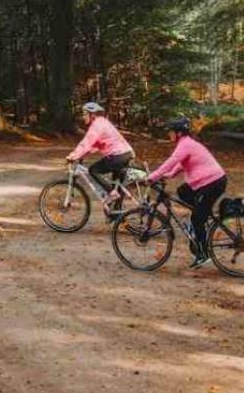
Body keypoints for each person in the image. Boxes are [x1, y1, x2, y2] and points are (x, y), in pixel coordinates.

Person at [146, 117, 226, 269]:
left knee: (197, 219)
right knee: (183, 191)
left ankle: (203, 254)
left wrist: (153, 176)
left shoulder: (185, 144)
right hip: (209, 181)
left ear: (178, 133)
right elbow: (181, 163)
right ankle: (202, 216)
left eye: (171, 131)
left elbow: (172, 160)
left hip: (212, 182)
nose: (169, 134)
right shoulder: (187, 143)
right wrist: (169, 174)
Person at [66, 102, 135, 204]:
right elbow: (93, 146)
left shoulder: (97, 125)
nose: (83, 117)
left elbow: (87, 142)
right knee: (116, 186)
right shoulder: (103, 122)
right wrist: (80, 156)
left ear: (92, 114)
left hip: (117, 156)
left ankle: (112, 193)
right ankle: (117, 216)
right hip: (125, 154)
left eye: (85, 114)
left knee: (93, 170)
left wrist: (73, 155)